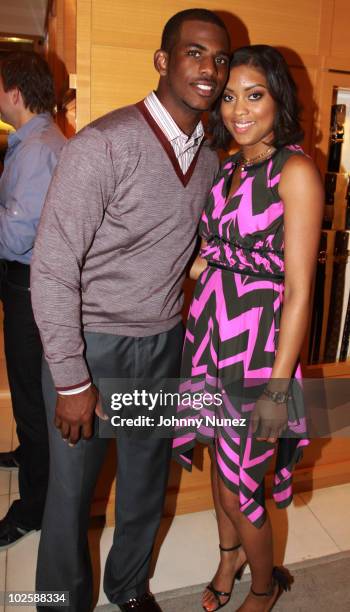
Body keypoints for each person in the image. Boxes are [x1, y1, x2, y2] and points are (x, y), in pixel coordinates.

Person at [30, 9, 231, 612]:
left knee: (146, 484)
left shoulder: (211, 160)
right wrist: (70, 377)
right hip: (93, 346)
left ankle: (127, 587)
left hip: (161, 343)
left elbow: (177, 248)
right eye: (195, 53)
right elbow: (52, 268)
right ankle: (59, 604)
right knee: (71, 498)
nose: (210, 69)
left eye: (220, 58)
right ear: (163, 61)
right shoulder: (103, 144)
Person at [172, 45, 323, 612]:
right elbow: (219, 244)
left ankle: (263, 589)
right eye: (230, 95)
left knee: (242, 484)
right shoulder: (232, 164)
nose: (238, 109)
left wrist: (279, 389)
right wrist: (199, 263)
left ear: (277, 97)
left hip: (258, 347)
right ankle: (226, 558)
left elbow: (301, 290)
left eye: (253, 94)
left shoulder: (297, 171)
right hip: (210, 334)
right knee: (217, 461)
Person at [0, 51, 65, 547]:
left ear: (15, 92)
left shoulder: (38, 148)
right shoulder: (33, 143)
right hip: (25, 283)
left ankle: (32, 509)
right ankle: (28, 455)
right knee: (28, 392)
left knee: (30, 397)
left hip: (29, 286)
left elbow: (15, 236)